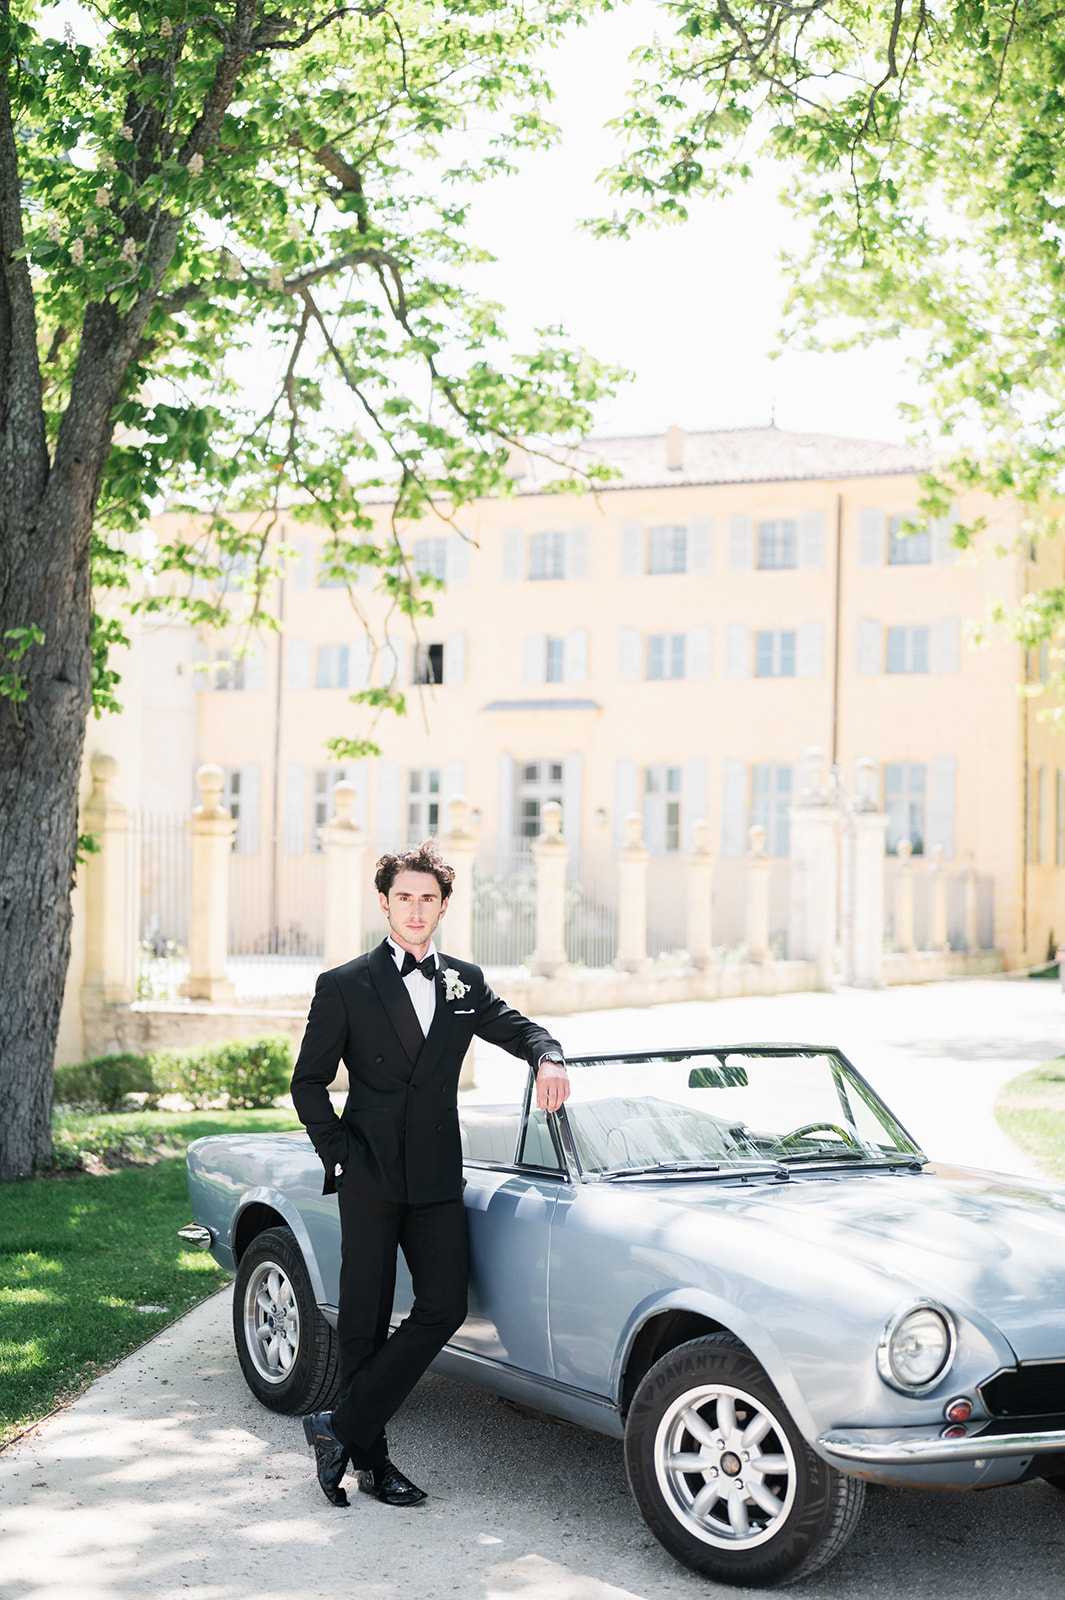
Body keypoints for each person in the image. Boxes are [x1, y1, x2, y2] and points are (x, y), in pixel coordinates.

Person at [289, 839, 570, 1508]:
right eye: (404, 897)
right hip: (369, 1176)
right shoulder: (345, 985)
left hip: (437, 1178)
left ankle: (340, 1428)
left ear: (443, 906)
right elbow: (308, 1083)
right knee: (363, 1320)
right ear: (384, 902)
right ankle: (372, 1463)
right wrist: (341, 1152)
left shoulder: (463, 981)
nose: (416, 910)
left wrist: (550, 1056)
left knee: (442, 1306)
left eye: (428, 898)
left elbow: (516, 1027)